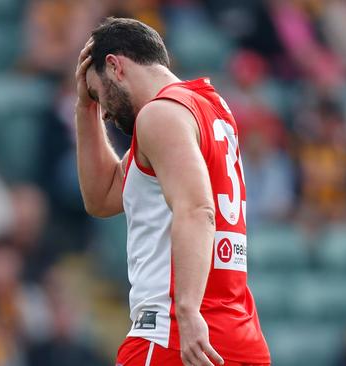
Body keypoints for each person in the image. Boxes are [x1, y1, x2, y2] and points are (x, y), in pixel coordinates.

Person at [74, 17, 270, 366]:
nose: (103, 112)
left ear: (115, 67)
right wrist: (83, 108)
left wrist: (187, 311)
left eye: (97, 94)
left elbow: (197, 209)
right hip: (238, 335)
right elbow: (101, 198)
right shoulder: (210, 108)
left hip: (174, 336)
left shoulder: (159, 116)